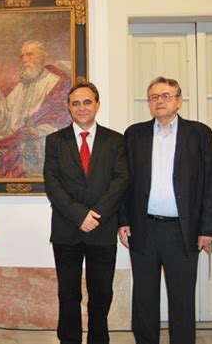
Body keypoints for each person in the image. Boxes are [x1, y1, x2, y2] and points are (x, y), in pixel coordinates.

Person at [118, 76, 212, 344]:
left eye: (165, 96)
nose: (159, 101)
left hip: (183, 231)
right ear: (149, 103)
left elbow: (209, 183)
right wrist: (123, 221)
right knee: (144, 298)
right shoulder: (134, 134)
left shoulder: (199, 133)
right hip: (144, 229)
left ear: (178, 100)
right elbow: (124, 183)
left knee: (182, 298)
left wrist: (208, 228)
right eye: (154, 97)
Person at [44, 81, 129, 344]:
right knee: (68, 293)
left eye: (87, 102)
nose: (82, 108)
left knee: (101, 293)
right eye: (76, 103)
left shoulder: (116, 140)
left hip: (102, 230)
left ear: (97, 104)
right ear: (68, 107)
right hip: (66, 230)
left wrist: (96, 215)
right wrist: (79, 215)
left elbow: (121, 181)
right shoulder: (55, 141)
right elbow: (52, 183)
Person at [0, 40, 72, 177]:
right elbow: (2, 123)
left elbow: (60, 120)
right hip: (11, 148)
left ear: (42, 57)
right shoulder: (19, 88)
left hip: (39, 149)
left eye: (30, 55)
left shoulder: (56, 84)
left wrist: (38, 131)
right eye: (22, 56)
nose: (25, 60)